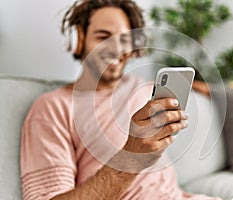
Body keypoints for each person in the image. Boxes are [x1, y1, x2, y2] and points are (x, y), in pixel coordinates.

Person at [20, 0, 221, 199]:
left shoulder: (142, 87)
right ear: (79, 38)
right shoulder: (53, 107)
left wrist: (216, 90)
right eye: (103, 36)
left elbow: (206, 89)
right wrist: (133, 157)